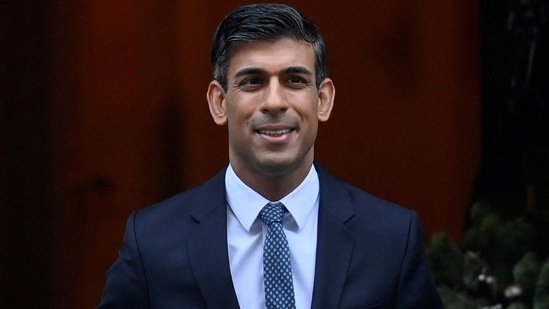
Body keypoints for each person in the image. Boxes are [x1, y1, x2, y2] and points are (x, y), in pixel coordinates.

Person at [97, 3, 443, 308]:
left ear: (323, 100)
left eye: (294, 80)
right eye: (253, 81)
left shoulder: (391, 238)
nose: (275, 102)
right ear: (219, 102)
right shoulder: (154, 242)